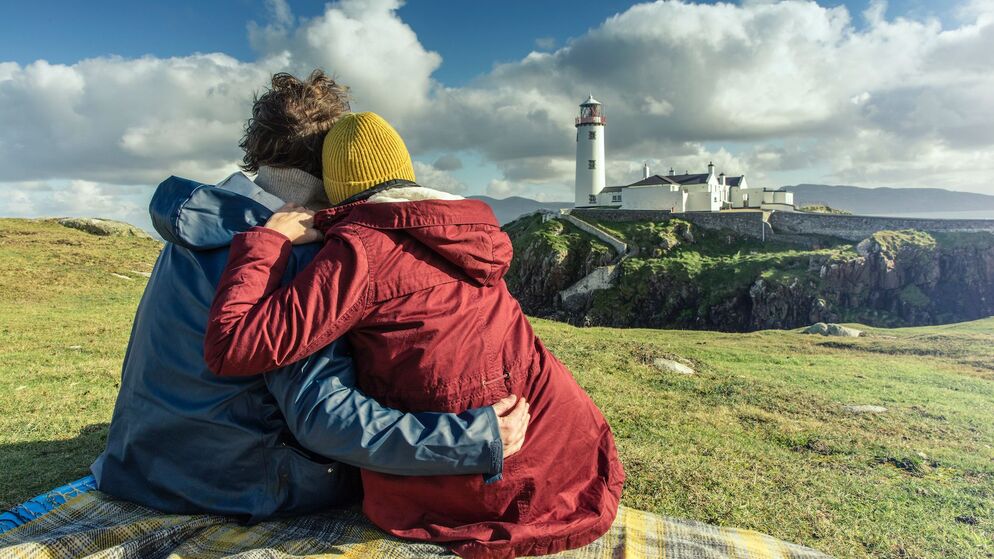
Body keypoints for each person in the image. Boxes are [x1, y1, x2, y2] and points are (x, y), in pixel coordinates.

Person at [92, 72, 528, 522]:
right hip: (240, 486)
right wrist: (468, 439)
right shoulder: (292, 254)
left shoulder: (201, 222)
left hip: (141, 462)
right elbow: (323, 415)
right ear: (334, 167)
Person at [203, 112, 625, 557]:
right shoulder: (468, 228)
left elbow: (234, 345)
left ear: (336, 188)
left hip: (485, 485)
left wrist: (269, 239)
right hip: (565, 448)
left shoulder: (360, 252)